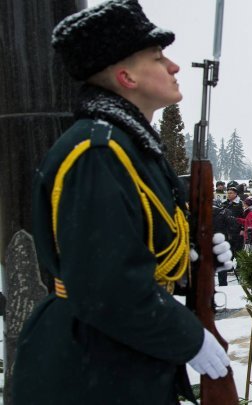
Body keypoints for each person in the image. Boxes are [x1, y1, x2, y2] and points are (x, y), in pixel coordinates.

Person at [13, 1, 234, 403]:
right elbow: (107, 284)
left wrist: (193, 258)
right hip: (92, 367)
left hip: (118, 358)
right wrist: (188, 338)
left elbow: (138, 244)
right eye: (157, 57)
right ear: (125, 76)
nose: (174, 66)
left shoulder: (126, 145)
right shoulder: (98, 153)